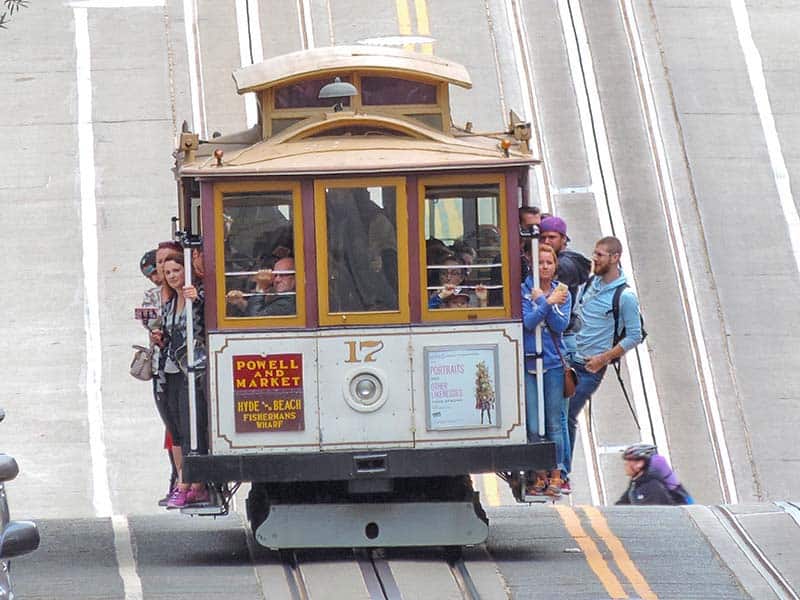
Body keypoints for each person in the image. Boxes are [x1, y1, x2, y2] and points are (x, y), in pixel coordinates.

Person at [564, 236, 644, 482]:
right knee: (556, 412)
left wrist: (604, 359)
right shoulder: (590, 283)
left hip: (589, 368)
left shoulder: (625, 296)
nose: (594, 259)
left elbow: (634, 335)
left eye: (600, 255)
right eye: (595, 253)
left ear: (615, 257)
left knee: (568, 413)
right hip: (570, 359)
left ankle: (562, 471)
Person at [153, 253, 209, 509]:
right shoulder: (169, 305)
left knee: (191, 427)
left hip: (192, 373)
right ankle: (184, 482)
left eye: (176, 270)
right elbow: (168, 335)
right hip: (170, 373)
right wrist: (159, 338)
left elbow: (211, 321)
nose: (172, 276)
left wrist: (198, 300)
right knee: (175, 427)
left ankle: (189, 484)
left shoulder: (196, 297)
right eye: (168, 273)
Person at [521, 242, 571, 496]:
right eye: (540, 262)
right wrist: (546, 302)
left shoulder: (563, 292)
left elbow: (561, 325)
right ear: (531, 263)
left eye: (549, 263)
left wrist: (543, 301)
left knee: (554, 422)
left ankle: (556, 473)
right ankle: (538, 474)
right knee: (532, 422)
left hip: (551, 363)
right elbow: (527, 323)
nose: (545, 267)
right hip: (529, 360)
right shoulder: (522, 290)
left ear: (555, 265)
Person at [539, 216, 591, 358]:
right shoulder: (570, 260)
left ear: (563, 239)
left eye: (552, 237)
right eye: (543, 237)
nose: (547, 241)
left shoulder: (563, 266)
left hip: (564, 335)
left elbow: (555, 301)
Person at [616, 443, 692, 505]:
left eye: (629, 461)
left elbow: (652, 515)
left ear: (640, 463)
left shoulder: (652, 486)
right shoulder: (636, 483)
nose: (625, 464)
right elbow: (622, 504)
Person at [226, 257, 297, 316]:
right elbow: (262, 310)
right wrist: (241, 303)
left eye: (283, 275)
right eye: (275, 275)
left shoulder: (286, 303)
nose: (277, 280)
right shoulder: (281, 298)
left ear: (295, 277)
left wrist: (261, 288)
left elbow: (256, 320)